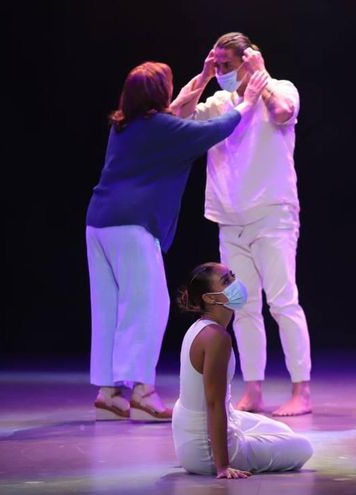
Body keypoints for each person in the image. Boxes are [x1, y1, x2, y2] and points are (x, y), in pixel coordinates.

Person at [87, 61, 267, 421]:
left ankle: (109, 391)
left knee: (109, 308)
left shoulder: (123, 126)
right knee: (148, 307)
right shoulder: (163, 130)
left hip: (98, 224)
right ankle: (142, 389)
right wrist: (247, 102)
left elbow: (175, 113)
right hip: (133, 226)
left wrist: (201, 79)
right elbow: (216, 128)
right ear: (157, 95)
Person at [170, 32, 312, 416]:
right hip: (230, 219)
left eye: (226, 66)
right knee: (244, 306)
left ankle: (302, 390)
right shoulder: (218, 101)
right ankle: (254, 388)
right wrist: (201, 78)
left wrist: (261, 76)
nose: (221, 73)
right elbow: (175, 116)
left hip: (272, 214)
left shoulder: (280, 89)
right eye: (216, 66)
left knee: (283, 301)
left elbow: (283, 113)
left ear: (250, 59)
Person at [172, 262, 313, 478]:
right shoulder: (216, 338)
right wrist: (222, 466)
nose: (235, 284)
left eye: (233, 276)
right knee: (303, 447)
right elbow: (213, 403)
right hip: (203, 449)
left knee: (283, 431)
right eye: (227, 281)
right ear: (210, 298)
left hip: (191, 436)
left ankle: (207, 453)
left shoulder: (200, 327)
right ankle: (217, 459)